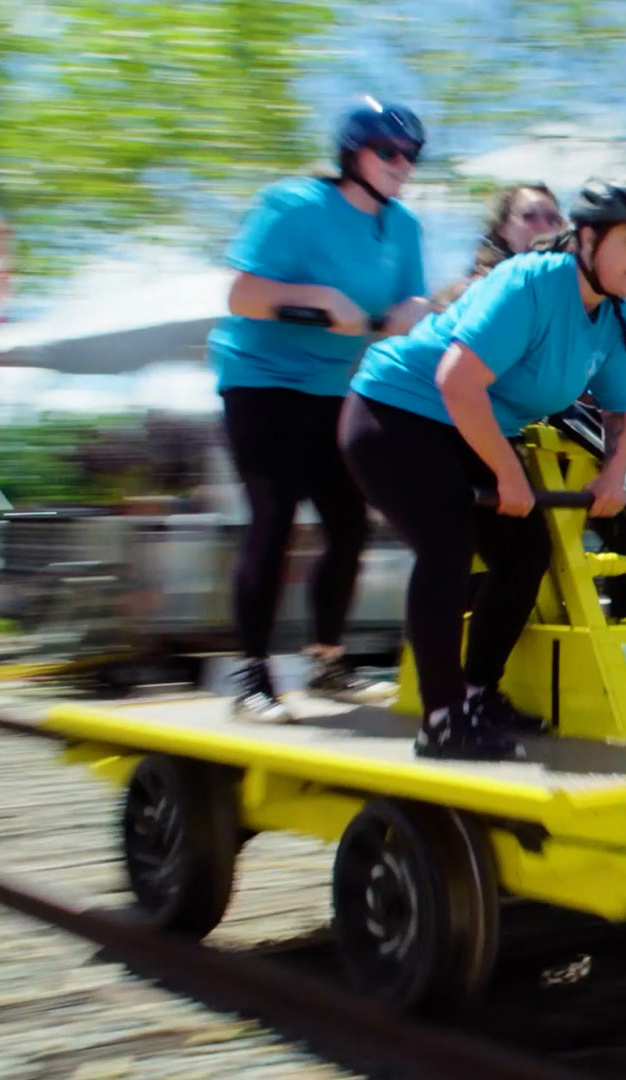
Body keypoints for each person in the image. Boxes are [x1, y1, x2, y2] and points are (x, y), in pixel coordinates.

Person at [340, 178, 626, 760]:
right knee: (446, 541)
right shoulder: (530, 282)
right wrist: (508, 473)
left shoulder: (621, 320)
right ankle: (441, 721)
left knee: (524, 555)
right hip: (396, 410)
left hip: (472, 427)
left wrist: (614, 474)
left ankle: (476, 694)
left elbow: (621, 410)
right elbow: (456, 380)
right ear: (588, 238)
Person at [208, 96, 434, 723]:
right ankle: (252, 678)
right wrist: (317, 299)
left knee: (349, 525)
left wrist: (414, 314)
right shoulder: (294, 205)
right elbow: (242, 294)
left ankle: (327, 663)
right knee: (274, 516)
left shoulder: (405, 228)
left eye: (410, 155)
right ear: (352, 151)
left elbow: (405, 307)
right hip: (263, 381)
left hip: (340, 389)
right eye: (388, 151)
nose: (401, 164)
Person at [434, 183, 564, 306]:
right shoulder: (476, 289)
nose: (543, 227)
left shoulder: (570, 284)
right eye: (529, 216)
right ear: (503, 227)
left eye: (552, 219)